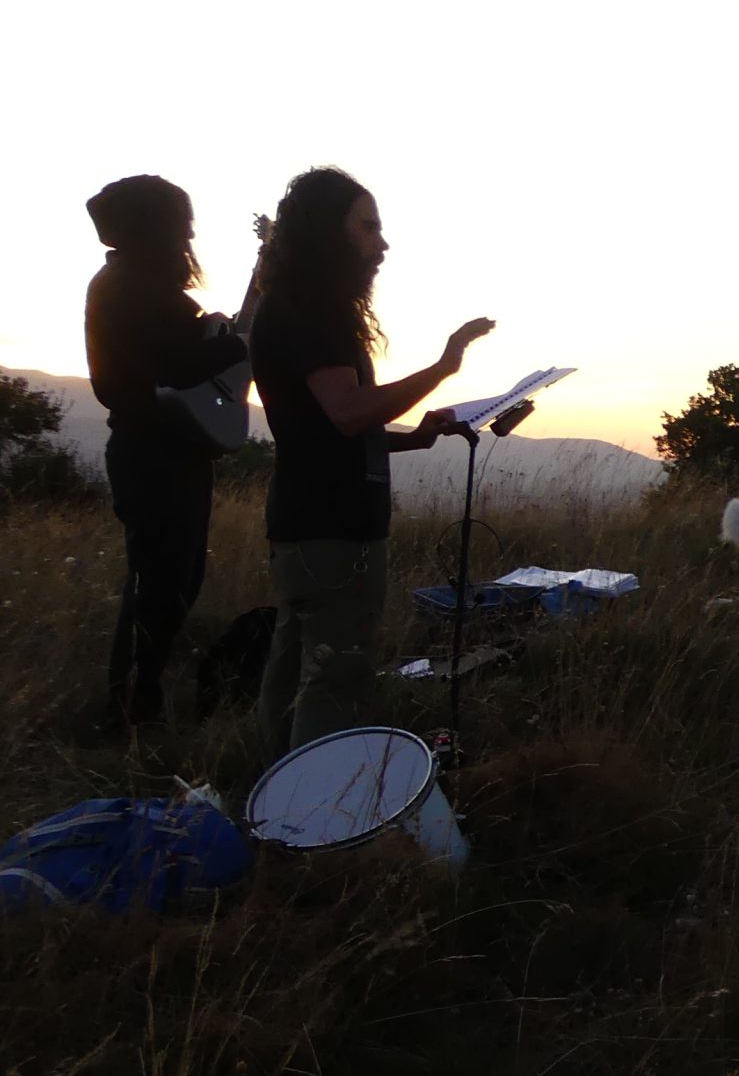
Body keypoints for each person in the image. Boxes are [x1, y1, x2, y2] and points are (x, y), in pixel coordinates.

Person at [252, 167, 493, 757]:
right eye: (367, 227)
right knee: (337, 678)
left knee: (293, 669)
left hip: (305, 525)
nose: (381, 244)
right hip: (332, 531)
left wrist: (415, 437)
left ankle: (270, 787)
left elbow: (328, 429)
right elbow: (348, 412)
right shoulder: (314, 313)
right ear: (326, 232)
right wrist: (443, 367)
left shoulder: (296, 306)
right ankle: (315, 805)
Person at [82, 175, 251, 727]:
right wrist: (237, 343)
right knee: (158, 587)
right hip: (152, 454)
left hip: (173, 451)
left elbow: (183, 356)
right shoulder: (128, 288)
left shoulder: (139, 286)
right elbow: (175, 367)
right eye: (182, 223)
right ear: (154, 227)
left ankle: (138, 700)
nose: (189, 235)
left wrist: (224, 333)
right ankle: (128, 711)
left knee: (172, 583)